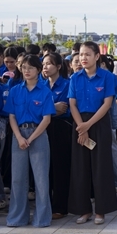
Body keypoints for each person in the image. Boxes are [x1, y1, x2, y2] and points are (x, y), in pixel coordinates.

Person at [68, 41, 117, 225]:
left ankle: (101, 211)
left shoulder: (106, 77)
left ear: (97, 56)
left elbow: (107, 104)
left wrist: (88, 124)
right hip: (79, 123)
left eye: (88, 54)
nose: (83, 58)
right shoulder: (75, 78)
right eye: (81, 55)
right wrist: (81, 126)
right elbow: (72, 103)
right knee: (80, 168)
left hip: (98, 123)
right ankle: (83, 210)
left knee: (101, 168)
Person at [5, 55, 55, 227]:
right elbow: (11, 116)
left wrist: (30, 138)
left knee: (41, 179)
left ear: (38, 70)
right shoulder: (15, 90)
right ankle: (18, 217)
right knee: (18, 179)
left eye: (31, 68)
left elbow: (47, 119)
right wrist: (19, 137)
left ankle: (41, 218)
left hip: (38, 134)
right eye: (24, 67)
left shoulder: (44, 91)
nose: (26, 71)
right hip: (18, 134)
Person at [42, 52, 72, 219]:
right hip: (43, 128)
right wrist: (52, 108)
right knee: (45, 167)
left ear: (59, 66)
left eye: (49, 64)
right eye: (44, 64)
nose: (45, 67)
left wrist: (46, 109)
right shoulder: (41, 85)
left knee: (60, 167)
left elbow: (64, 108)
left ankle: (61, 206)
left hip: (61, 129)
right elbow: (36, 108)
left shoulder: (67, 85)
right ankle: (46, 204)